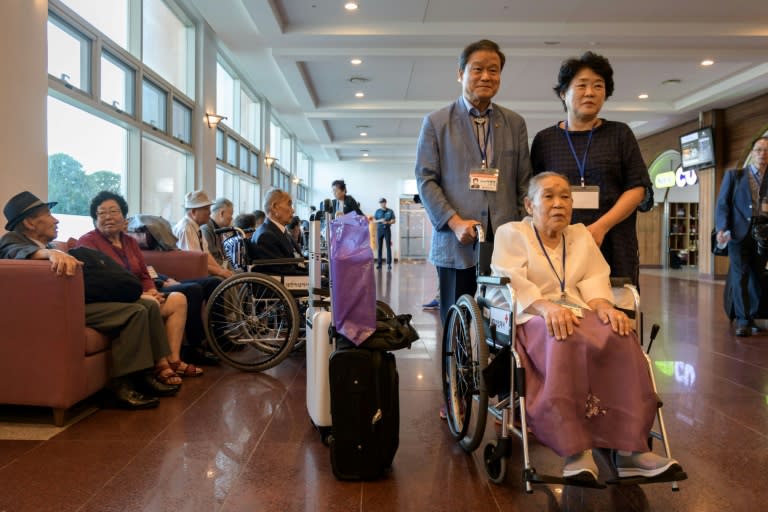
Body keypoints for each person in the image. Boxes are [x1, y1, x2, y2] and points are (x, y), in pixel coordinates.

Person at [489, 172, 681, 481]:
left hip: (578, 311)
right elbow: (511, 279)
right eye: (549, 196)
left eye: (565, 197)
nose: (559, 204)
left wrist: (606, 307)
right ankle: (575, 450)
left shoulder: (579, 236)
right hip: (531, 314)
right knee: (563, 338)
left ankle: (630, 450)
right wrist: (545, 306)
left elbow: (594, 279)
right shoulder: (512, 234)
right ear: (529, 204)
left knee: (620, 335)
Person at [0, 191, 180, 409]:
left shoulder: (48, 246)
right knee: (135, 312)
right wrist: (50, 255)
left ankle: (147, 373)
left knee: (147, 306)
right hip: (51, 313)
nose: (55, 219)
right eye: (48, 214)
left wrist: (53, 252)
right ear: (29, 222)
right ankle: (122, 383)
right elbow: (15, 252)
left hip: (76, 303)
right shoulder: (13, 241)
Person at [415, 38, 532, 324]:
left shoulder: (514, 123)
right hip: (455, 242)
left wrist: (519, 232)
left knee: (503, 324)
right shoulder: (437, 122)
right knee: (458, 326)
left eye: (493, 70)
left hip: (505, 245)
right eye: (477, 69)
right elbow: (426, 179)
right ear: (460, 73)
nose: (486, 76)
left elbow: (523, 182)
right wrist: (454, 222)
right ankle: (457, 371)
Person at [530, 51, 651, 286]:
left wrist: (600, 227)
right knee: (565, 309)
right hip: (559, 241)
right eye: (582, 85)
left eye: (598, 86)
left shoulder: (619, 134)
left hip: (613, 239)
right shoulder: (545, 140)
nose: (590, 92)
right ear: (564, 93)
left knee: (617, 311)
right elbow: (534, 195)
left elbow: (638, 187)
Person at [77, 191, 203, 377]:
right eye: (102, 213)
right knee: (152, 303)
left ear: (124, 216)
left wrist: (152, 289)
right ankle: (160, 366)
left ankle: (173, 360)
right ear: (94, 219)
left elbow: (144, 273)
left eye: (114, 211)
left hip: (141, 295)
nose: (108, 217)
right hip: (117, 300)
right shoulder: (87, 243)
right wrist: (142, 296)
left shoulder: (129, 241)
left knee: (178, 299)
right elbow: (101, 284)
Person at [716, 136, 768, 337]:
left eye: (766, 150)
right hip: (738, 233)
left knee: (757, 275)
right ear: (752, 153)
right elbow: (722, 204)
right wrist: (722, 227)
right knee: (740, 275)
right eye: (759, 150)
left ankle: (753, 315)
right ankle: (743, 319)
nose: (763, 154)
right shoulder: (735, 176)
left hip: (763, 234)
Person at [173, 190, 233, 279]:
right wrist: (220, 272)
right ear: (193, 212)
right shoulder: (186, 229)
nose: (210, 212)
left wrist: (221, 269)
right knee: (218, 280)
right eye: (206, 209)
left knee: (228, 277)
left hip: (197, 271)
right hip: (187, 275)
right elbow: (194, 261)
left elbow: (206, 255)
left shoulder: (197, 228)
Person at [248, 188, 306, 275]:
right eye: (289, 205)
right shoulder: (266, 236)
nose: (293, 210)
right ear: (274, 207)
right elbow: (285, 272)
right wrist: (317, 278)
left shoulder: (280, 231)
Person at [200, 197, 234, 268]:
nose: (231, 218)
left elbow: (224, 257)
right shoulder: (206, 228)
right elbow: (210, 259)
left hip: (221, 268)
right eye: (231, 214)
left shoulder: (218, 228)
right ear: (221, 213)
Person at [374, 198, 396, 270]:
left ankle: (389, 264)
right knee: (380, 247)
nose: (381, 204)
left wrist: (388, 222)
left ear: (385, 203)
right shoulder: (377, 211)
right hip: (379, 230)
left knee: (388, 247)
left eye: (383, 202)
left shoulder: (390, 211)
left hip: (387, 230)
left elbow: (394, 220)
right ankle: (379, 264)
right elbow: (374, 221)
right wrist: (380, 220)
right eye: (380, 203)